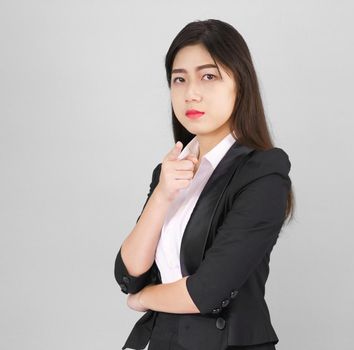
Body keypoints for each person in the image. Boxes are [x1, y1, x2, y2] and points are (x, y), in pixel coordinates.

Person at [113, 19, 295, 350]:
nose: (190, 93)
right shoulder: (169, 172)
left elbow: (208, 291)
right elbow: (129, 274)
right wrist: (162, 195)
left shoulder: (263, 171)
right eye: (179, 79)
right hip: (162, 340)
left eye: (208, 76)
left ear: (240, 83)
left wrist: (145, 299)